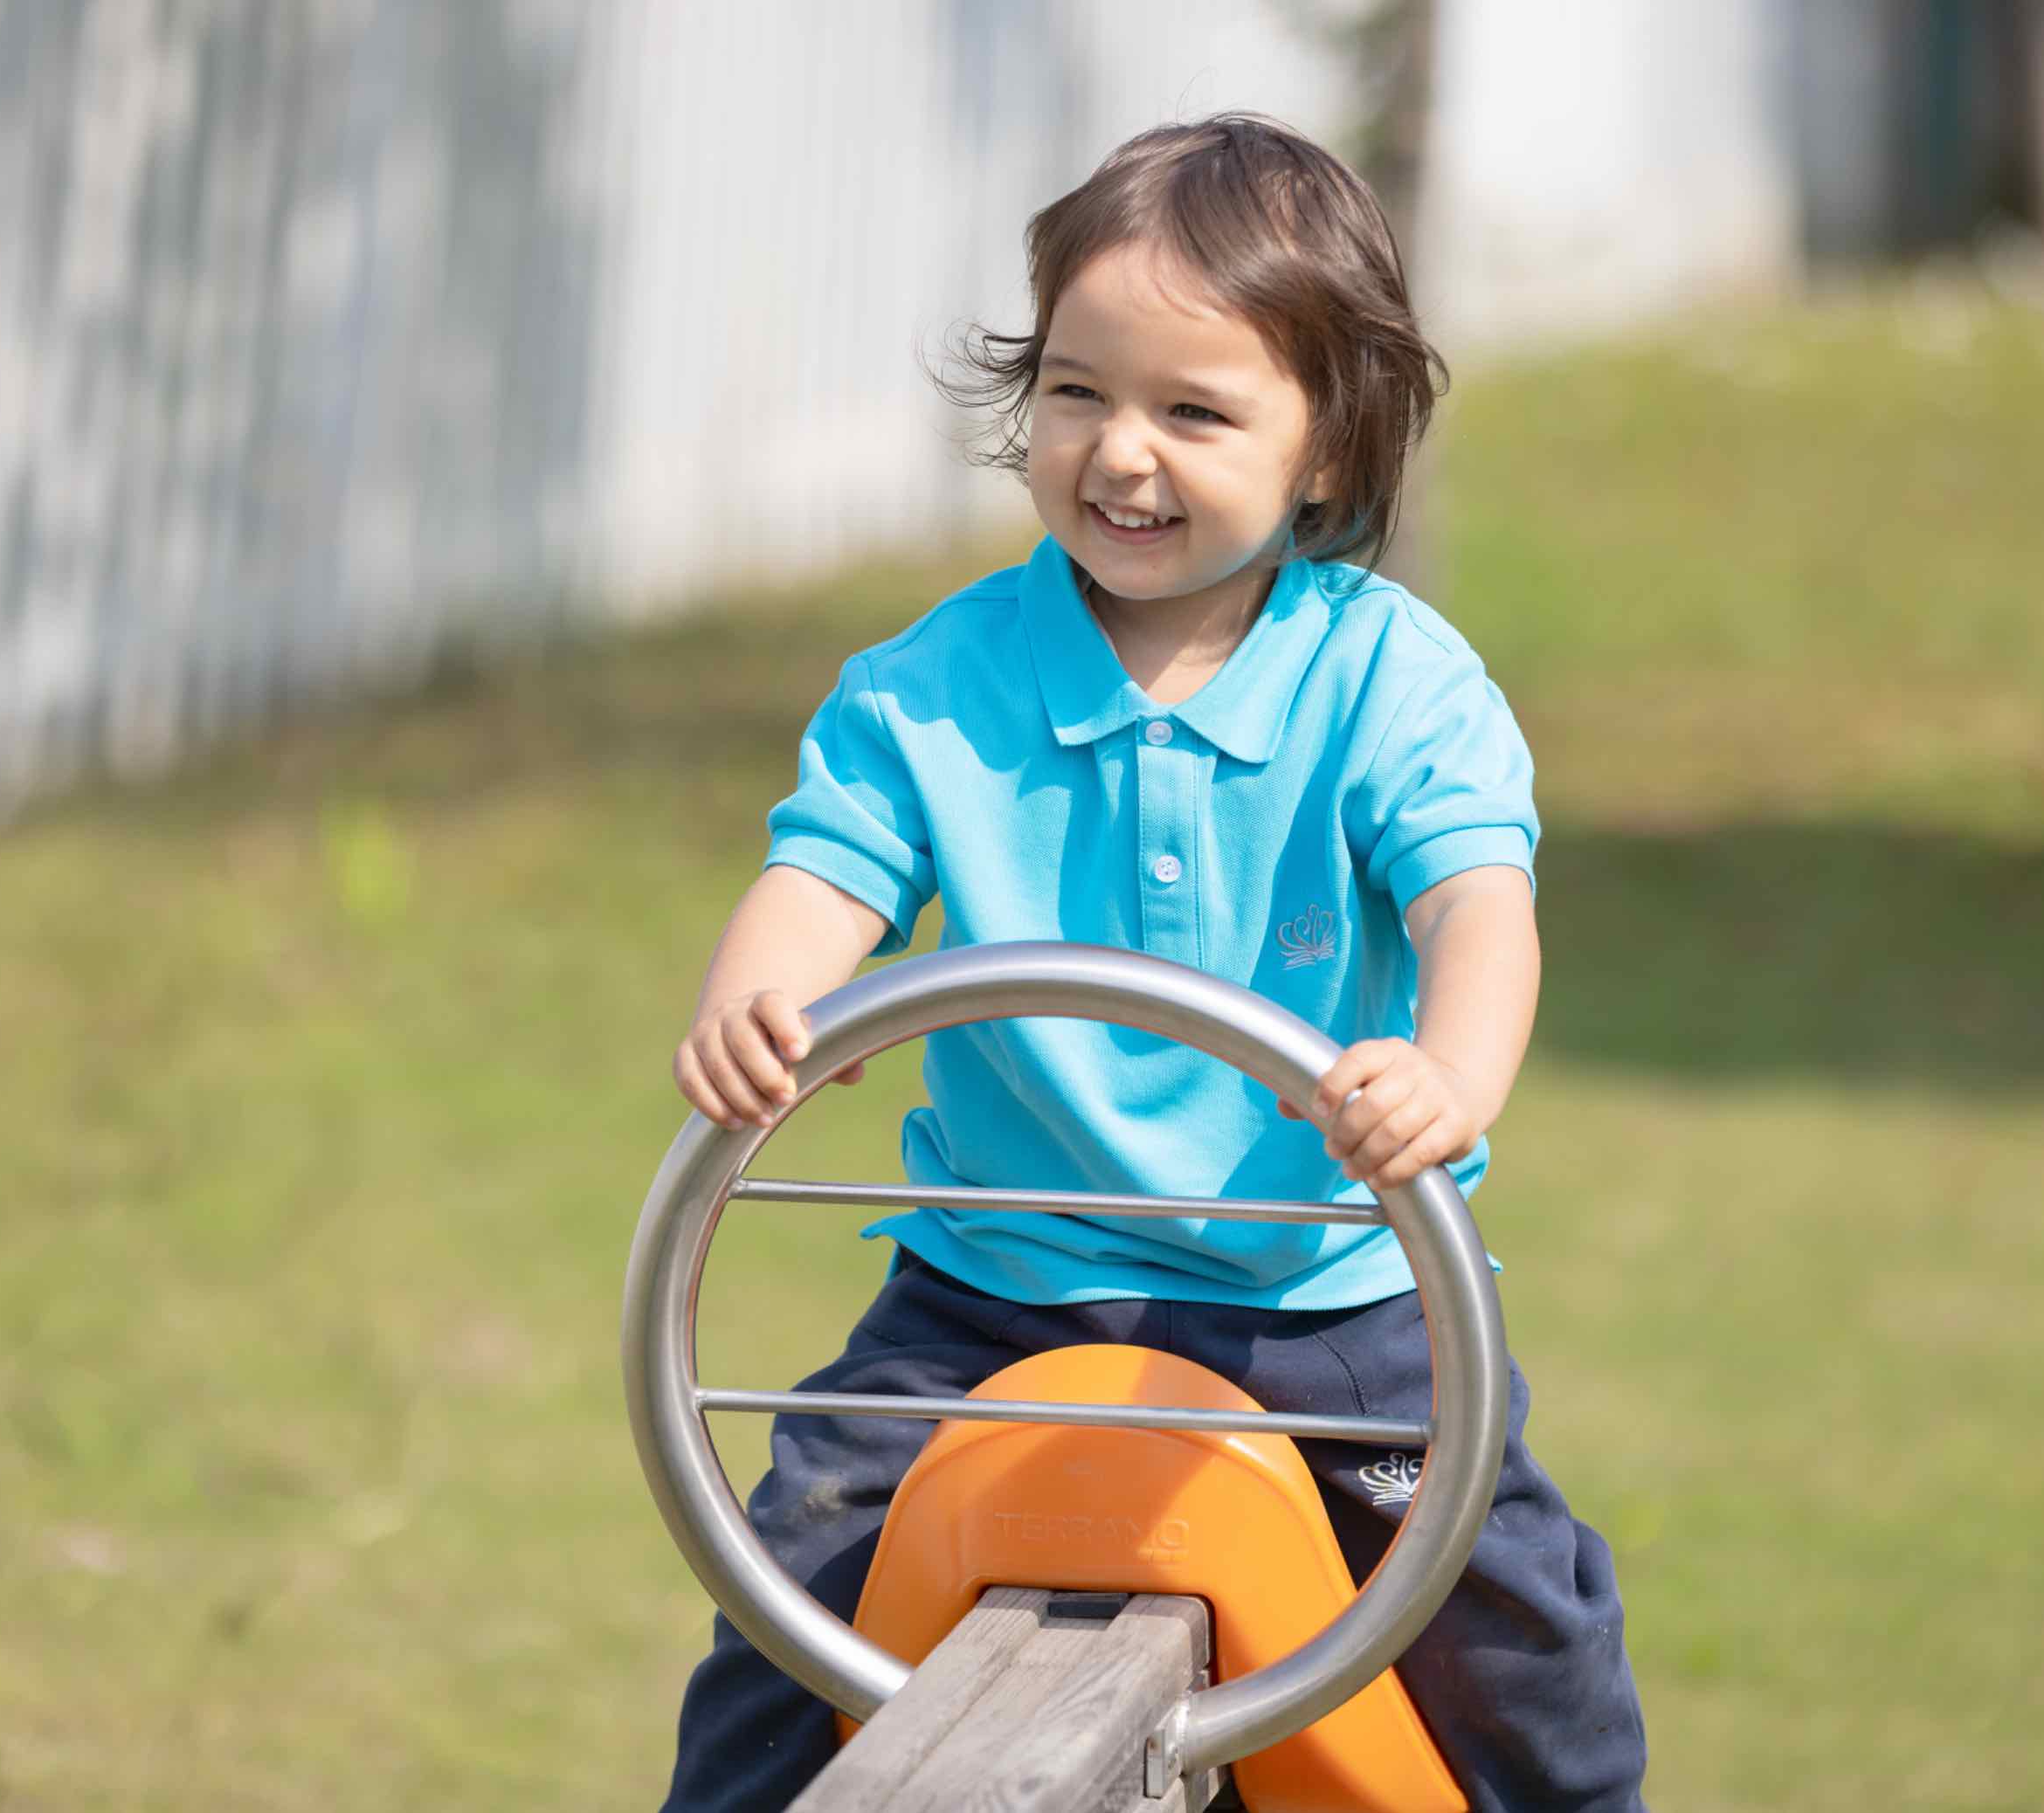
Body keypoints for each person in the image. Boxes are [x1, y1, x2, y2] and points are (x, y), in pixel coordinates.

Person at [659, 114, 1647, 1812]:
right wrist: (767, 995)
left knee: (1520, 1619)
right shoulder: (932, 684)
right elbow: (822, 873)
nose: (1122, 455)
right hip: (992, 1286)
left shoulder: (1389, 680)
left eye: (1195, 412)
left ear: (1328, 453)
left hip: (1326, 1287)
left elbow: (1480, 904)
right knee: (792, 1580)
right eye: (1077, 392)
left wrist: (1451, 1076)